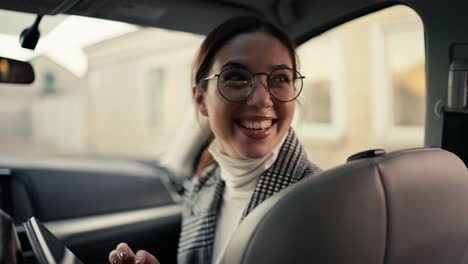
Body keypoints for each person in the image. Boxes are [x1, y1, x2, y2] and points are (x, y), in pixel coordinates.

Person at [108, 15, 321, 264]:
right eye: (236, 77)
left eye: (281, 78)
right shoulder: (202, 187)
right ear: (200, 100)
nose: (262, 99)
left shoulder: (321, 202)